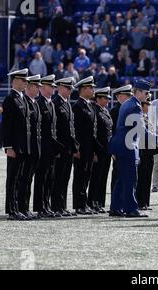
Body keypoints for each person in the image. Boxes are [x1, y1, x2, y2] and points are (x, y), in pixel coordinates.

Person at [109, 80, 158, 218]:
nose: (147, 95)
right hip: (128, 146)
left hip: (120, 145)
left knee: (121, 179)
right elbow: (142, 131)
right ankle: (131, 209)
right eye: (145, 92)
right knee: (130, 179)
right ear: (137, 92)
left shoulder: (127, 104)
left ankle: (115, 208)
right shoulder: (135, 106)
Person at [2, 69, 30, 220]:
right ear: (15, 81)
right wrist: (8, 146)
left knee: (19, 178)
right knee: (12, 178)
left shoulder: (22, 99)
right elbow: (6, 126)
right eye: (23, 80)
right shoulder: (10, 99)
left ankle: (18, 208)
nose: (26, 83)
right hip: (14, 146)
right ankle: (12, 210)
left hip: (23, 146)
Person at [34, 74, 61, 218]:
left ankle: (46, 205)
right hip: (43, 147)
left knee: (50, 178)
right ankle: (40, 207)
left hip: (52, 148)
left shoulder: (51, 103)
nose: (53, 88)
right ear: (43, 87)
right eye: (51, 86)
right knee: (41, 178)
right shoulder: (39, 103)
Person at [51, 77, 78, 217]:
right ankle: (56, 206)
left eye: (71, 89)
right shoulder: (56, 103)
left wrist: (74, 147)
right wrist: (57, 148)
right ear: (60, 88)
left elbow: (71, 128)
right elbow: (54, 128)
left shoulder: (67, 104)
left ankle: (62, 206)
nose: (70, 91)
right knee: (58, 178)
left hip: (68, 148)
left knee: (65, 178)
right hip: (60, 148)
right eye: (68, 88)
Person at [72, 76, 98, 215]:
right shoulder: (78, 106)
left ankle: (84, 203)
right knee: (80, 176)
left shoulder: (89, 105)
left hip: (89, 149)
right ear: (83, 89)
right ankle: (79, 205)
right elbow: (75, 129)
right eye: (91, 88)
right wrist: (75, 148)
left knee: (86, 175)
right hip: (81, 149)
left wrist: (94, 150)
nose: (93, 90)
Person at [17, 75, 42, 220]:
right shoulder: (25, 102)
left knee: (28, 179)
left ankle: (25, 208)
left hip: (34, 148)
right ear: (29, 87)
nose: (38, 89)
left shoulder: (34, 103)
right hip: (27, 147)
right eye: (36, 86)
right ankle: (22, 207)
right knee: (24, 179)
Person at [88, 87, 113, 213]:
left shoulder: (105, 111)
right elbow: (95, 133)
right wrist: (95, 150)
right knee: (96, 177)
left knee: (102, 177)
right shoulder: (95, 111)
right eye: (105, 98)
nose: (107, 101)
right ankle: (92, 201)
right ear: (98, 99)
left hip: (106, 150)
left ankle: (99, 202)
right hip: (99, 149)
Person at [136, 94, 158, 210]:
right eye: (147, 104)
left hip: (149, 152)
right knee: (141, 178)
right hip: (141, 151)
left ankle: (145, 202)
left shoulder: (148, 117)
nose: (149, 106)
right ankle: (140, 202)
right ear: (142, 105)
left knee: (147, 177)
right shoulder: (140, 117)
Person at [109, 85, 133, 194]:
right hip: (119, 148)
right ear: (119, 96)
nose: (129, 97)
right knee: (117, 175)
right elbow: (112, 132)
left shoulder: (128, 110)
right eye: (127, 95)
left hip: (128, 147)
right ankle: (116, 202)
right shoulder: (115, 111)